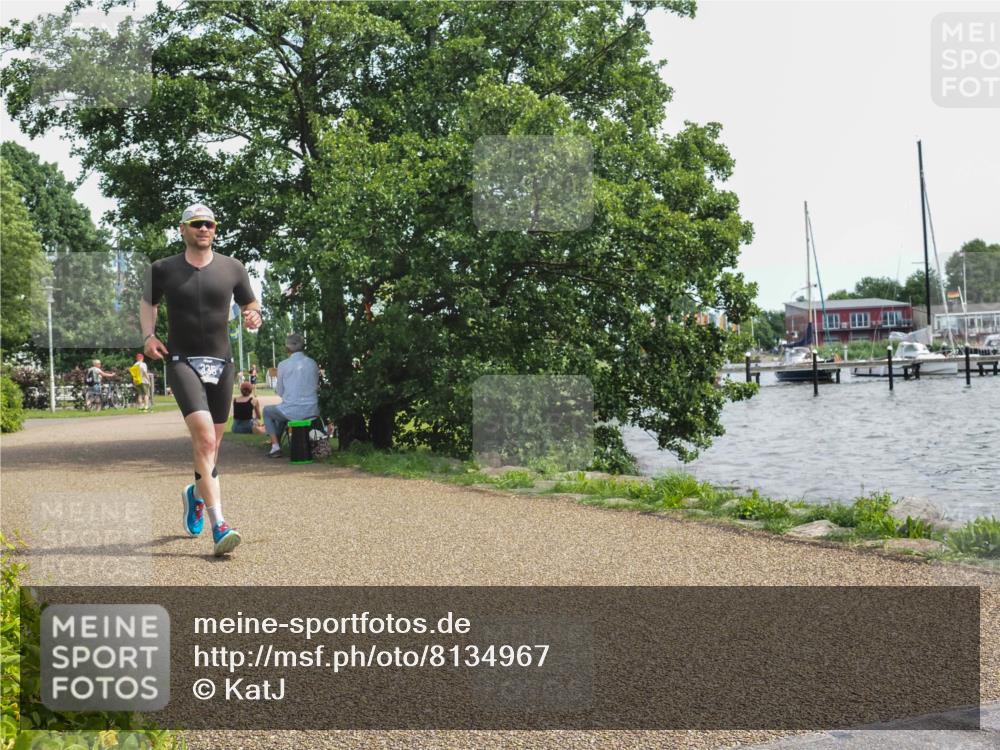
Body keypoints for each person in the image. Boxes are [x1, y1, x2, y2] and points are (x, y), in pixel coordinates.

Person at [141, 203, 262, 556]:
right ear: (183, 229)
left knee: (211, 448)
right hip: (182, 361)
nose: (203, 229)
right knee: (206, 440)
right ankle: (219, 525)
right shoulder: (163, 269)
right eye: (196, 224)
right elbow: (148, 302)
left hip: (222, 364)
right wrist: (149, 336)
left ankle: (195, 494)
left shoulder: (232, 268)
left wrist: (254, 317)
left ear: (215, 228)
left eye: (208, 224)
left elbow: (251, 305)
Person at [263, 333, 320, 458]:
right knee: (283, 411)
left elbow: (280, 392)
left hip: (292, 410)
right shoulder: (312, 363)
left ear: (287, 348)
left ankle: (275, 446)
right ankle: (277, 443)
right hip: (312, 409)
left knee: (267, 411)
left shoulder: (283, 364)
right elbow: (316, 385)